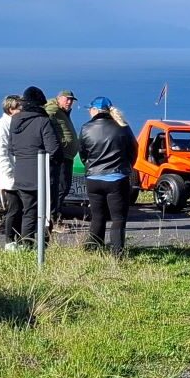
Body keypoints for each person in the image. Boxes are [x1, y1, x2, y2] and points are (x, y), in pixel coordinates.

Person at [79, 96, 138, 258]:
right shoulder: (122, 127)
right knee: (118, 218)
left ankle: (94, 249)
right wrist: (126, 166)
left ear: (95, 110)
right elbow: (133, 149)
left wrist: (91, 166)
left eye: (90, 109)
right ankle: (117, 254)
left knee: (98, 216)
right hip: (117, 178)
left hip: (93, 178)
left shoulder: (86, 128)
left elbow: (83, 153)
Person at [10, 86, 61, 247]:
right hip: (42, 176)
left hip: (21, 174)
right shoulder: (43, 121)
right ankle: (42, 247)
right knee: (45, 214)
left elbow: (11, 149)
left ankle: (27, 245)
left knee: (28, 213)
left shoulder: (14, 121)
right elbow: (53, 149)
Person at [0, 94, 23, 251]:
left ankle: (19, 240)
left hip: (19, 174)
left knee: (21, 209)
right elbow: (0, 154)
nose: (22, 110)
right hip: (10, 176)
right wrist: (10, 173)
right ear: (11, 109)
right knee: (13, 209)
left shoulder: (14, 124)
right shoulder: (1, 127)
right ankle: (10, 241)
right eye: (19, 108)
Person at [45, 90, 78, 229]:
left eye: (71, 100)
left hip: (67, 155)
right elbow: (45, 118)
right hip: (61, 155)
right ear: (59, 98)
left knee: (63, 188)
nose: (69, 102)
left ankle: (55, 217)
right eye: (67, 99)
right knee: (61, 188)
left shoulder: (63, 112)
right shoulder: (53, 109)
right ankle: (53, 220)